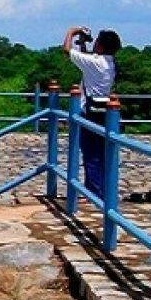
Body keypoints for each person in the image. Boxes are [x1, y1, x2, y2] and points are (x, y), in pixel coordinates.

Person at [62, 26, 122, 199]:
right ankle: (102, 191)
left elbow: (66, 50)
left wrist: (72, 32)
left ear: (101, 46)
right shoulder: (111, 63)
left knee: (90, 154)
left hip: (88, 112)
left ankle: (94, 193)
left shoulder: (96, 63)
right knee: (102, 154)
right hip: (104, 112)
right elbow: (87, 61)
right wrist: (83, 44)